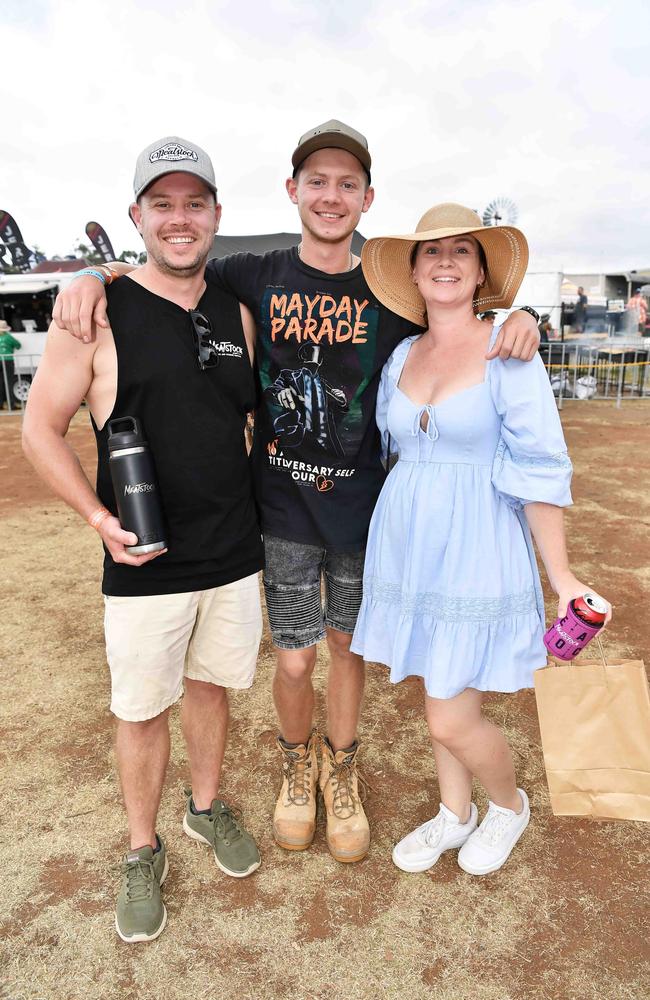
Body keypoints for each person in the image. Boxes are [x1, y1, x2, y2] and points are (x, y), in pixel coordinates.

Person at [51, 120, 542, 865]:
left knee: (345, 648)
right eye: (317, 182)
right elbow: (169, 270)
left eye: (348, 184)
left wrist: (520, 318)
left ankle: (340, 769)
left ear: (367, 199)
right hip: (278, 508)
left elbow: (457, 309)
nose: (331, 196)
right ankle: (294, 762)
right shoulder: (257, 272)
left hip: (361, 511)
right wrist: (96, 275)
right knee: (293, 658)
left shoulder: (391, 291)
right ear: (292, 191)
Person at [22, 136, 264, 943]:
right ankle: (140, 848)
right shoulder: (96, 313)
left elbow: (242, 414)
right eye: (162, 204)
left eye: (195, 202)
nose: (180, 218)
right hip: (144, 557)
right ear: (137, 216)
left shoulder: (236, 311)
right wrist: (98, 521)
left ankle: (203, 808)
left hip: (234, 555)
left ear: (216, 215)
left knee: (209, 688)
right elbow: (40, 430)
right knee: (139, 708)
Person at [351, 203, 611, 875]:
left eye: (462, 251)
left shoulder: (507, 348)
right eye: (431, 251)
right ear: (412, 270)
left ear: (481, 271)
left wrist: (563, 578)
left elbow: (540, 467)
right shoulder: (403, 352)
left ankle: (508, 803)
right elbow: (386, 445)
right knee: (437, 684)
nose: (445, 261)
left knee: (448, 718)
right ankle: (453, 813)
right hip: (411, 543)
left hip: (479, 542)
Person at [0, 319, 21, 410]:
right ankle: (11, 405)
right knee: (9, 382)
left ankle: (0, 404)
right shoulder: (8, 337)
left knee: (0, 383)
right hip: (8, 360)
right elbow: (18, 345)